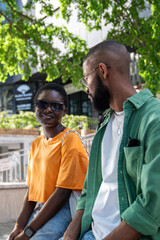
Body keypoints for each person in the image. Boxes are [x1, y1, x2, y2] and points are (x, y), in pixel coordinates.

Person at [60, 40, 160, 240]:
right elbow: (89, 191)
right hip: (90, 233)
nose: (86, 89)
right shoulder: (104, 124)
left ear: (103, 71)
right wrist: (69, 236)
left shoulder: (153, 120)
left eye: (86, 79)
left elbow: (151, 205)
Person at [8, 83, 88, 240]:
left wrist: (28, 232)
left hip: (62, 209)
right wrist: (18, 227)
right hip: (40, 209)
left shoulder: (70, 139)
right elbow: (32, 192)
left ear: (65, 111)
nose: (49, 109)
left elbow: (63, 192)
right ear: (35, 107)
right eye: (42, 104)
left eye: (56, 106)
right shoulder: (37, 143)